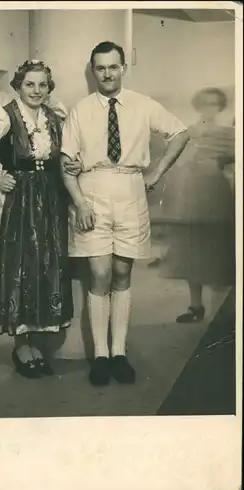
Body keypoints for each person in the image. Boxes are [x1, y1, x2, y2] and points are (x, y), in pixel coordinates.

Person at [60, 41, 190, 386]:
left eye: (113, 67)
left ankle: (120, 353)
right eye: (100, 68)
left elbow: (181, 132)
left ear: (123, 68)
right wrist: (80, 203)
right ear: (93, 71)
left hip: (131, 188)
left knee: (121, 272)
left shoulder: (142, 104)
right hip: (92, 190)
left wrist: (157, 172)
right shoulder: (81, 109)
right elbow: (65, 164)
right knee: (99, 273)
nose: (107, 73)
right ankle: (100, 356)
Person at [0, 60, 73, 378]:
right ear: (18, 85)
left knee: (42, 268)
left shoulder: (53, 116)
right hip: (16, 201)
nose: (36, 90)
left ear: (49, 88)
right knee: (18, 266)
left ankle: (34, 341)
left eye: (42, 85)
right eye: (30, 84)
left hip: (49, 200)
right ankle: (21, 346)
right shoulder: (2, 116)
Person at [159, 87, 235, 323]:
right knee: (192, 251)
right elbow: (176, 162)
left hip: (216, 193)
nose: (209, 108)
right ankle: (195, 305)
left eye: (214, 104)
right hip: (192, 193)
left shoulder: (228, 134)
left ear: (220, 107)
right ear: (197, 105)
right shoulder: (187, 132)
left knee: (219, 250)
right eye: (204, 103)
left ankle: (224, 313)